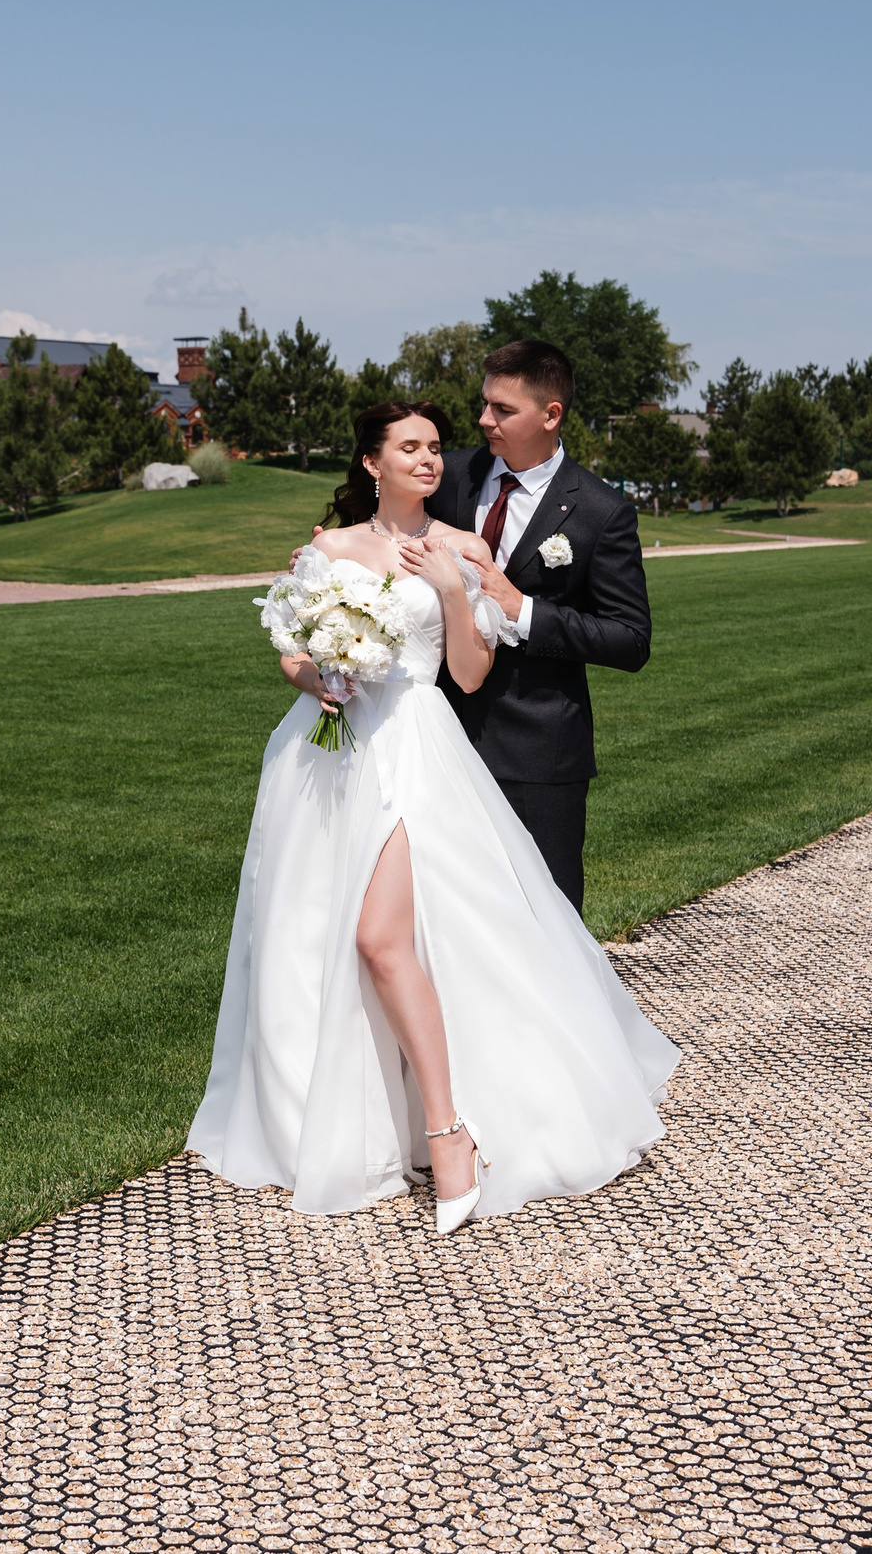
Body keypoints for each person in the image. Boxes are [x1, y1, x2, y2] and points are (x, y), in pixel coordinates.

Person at [187, 402, 678, 1232]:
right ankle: (342, 1118)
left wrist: (454, 589)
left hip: (416, 742)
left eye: (434, 447)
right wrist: (320, 676)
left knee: (379, 936)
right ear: (371, 462)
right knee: (314, 931)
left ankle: (450, 1132)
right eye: (408, 447)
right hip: (327, 752)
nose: (429, 459)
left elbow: (472, 671)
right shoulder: (330, 547)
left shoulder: (463, 546)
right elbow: (292, 651)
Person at [422, 338, 652, 911]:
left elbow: (630, 639)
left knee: (546, 922)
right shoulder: (449, 476)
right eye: (484, 404)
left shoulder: (602, 511)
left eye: (503, 409)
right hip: (436, 736)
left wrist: (522, 609)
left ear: (551, 415)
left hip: (539, 752)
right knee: (445, 916)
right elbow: (379, 527)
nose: (483, 419)